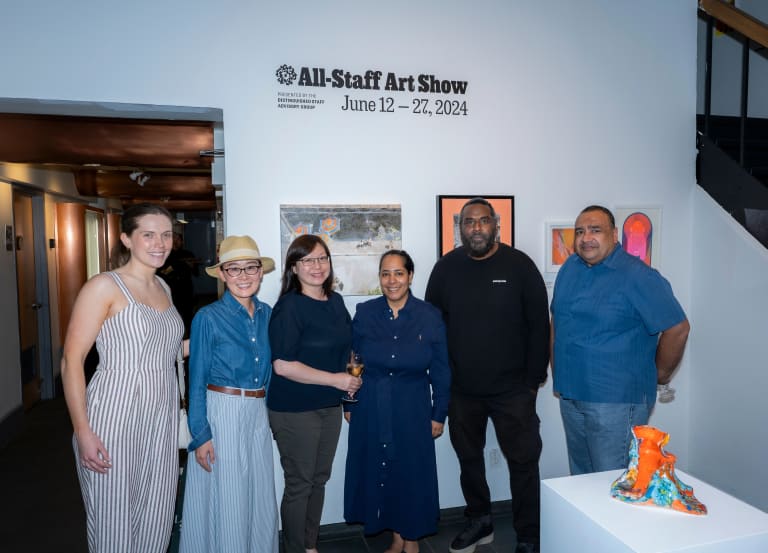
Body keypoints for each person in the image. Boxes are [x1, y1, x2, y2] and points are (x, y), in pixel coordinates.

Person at [425, 197, 550, 553]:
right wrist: (441, 383)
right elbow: (433, 327)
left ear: (496, 224)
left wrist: (532, 383)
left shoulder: (520, 266)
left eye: (483, 221)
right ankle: (480, 521)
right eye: (468, 222)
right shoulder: (446, 269)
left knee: (524, 464)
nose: (476, 228)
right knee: (469, 460)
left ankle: (528, 535)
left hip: (513, 390)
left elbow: (539, 325)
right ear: (460, 227)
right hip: (462, 390)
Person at [61, 203, 184, 553]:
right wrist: (83, 431)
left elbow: (166, 349)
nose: (159, 243)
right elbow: (71, 361)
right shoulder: (104, 286)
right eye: (148, 234)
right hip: (114, 411)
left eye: (165, 235)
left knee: (157, 512)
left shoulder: (163, 287)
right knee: (114, 519)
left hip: (161, 414)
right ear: (126, 238)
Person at [550, 205, 690, 476]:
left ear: (614, 234)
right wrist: (558, 374)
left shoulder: (638, 275)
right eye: (580, 231)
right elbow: (557, 318)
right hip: (571, 394)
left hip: (615, 400)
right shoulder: (570, 268)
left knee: (611, 480)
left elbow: (678, 328)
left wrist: (659, 375)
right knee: (582, 479)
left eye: (595, 230)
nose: (585, 237)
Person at [344, 250, 451, 553]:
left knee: (411, 473)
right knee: (381, 471)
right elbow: (352, 360)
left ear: (410, 276)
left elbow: (442, 370)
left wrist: (439, 413)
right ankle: (395, 537)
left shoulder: (429, 316)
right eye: (385, 274)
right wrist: (349, 403)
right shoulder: (365, 312)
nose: (392, 281)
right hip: (371, 405)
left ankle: (412, 538)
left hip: (412, 407)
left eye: (399, 273)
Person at [179, 235, 279, 553]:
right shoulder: (207, 319)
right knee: (229, 496)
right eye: (234, 269)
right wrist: (201, 435)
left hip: (258, 412)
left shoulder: (268, 314)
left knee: (259, 492)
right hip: (222, 413)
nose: (244, 276)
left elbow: (273, 371)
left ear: (261, 273)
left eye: (251, 268)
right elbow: (195, 383)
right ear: (222, 274)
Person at [267, 234, 361, 553]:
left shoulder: (334, 301)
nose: (316, 266)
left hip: (329, 407)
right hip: (294, 409)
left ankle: (309, 544)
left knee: (318, 479)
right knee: (299, 484)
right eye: (307, 260)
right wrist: (337, 380)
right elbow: (282, 366)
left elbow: (347, 349)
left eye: (322, 258)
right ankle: (295, 548)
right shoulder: (289, 307)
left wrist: (350, 374)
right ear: (294, 268)